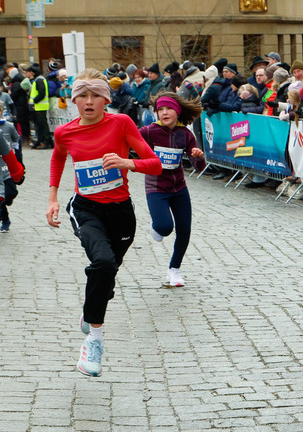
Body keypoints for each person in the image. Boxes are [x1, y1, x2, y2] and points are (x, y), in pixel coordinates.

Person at [46, 69, 164, 377]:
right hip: (86, 209)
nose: (88, 102)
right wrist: (53, 197)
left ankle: (92, 306)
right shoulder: (65, 132)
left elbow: (155, 163)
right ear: (74, 100)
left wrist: (128, 163)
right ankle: (93, 343)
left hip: (121, 213)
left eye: (95, 95)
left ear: (105, 99)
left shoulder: (121, 123)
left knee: (108, 271)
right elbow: (58, 158)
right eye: (82, 96)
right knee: (103, 263)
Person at [138, 92, 206, 287]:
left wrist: (198, 156)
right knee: (164, 228)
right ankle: (156, 224)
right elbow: (128, 142)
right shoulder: (149, 131)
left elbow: (199, 167)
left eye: (168, 109)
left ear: (177, 111)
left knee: (184, 230)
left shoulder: (185, 134)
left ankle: (174, 270)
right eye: (160, 109)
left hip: (179, 188)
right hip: (156, 187)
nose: (164, 113)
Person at [0, 117, 26, 233]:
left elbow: (9, 153)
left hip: (4, 168)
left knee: (9, 193)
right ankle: (5, 220)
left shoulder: (7, 127)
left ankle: (5, 217)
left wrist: (18, 170)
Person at [26, 64, 54, 149]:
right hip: (39, 106)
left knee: (42, 125)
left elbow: (42, 93)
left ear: (32, 72)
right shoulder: (39, 79)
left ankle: (47, 141)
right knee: (41, 124)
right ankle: (44, 141)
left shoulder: (39, 80)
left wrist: (34, 101)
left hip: (40, 106)